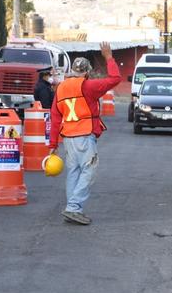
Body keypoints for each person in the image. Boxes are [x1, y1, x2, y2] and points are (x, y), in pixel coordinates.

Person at [49, 42, 121, 225]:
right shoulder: (88, 86)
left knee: (73, 171)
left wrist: (53, 145)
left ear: (72, 70)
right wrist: (108, 57)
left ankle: (73, 208)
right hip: (84, 135)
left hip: (68, 138)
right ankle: (73, 207)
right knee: (89, 169)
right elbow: (114, 79)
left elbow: (55, 118)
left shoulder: (61, 89)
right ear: (87, 72)